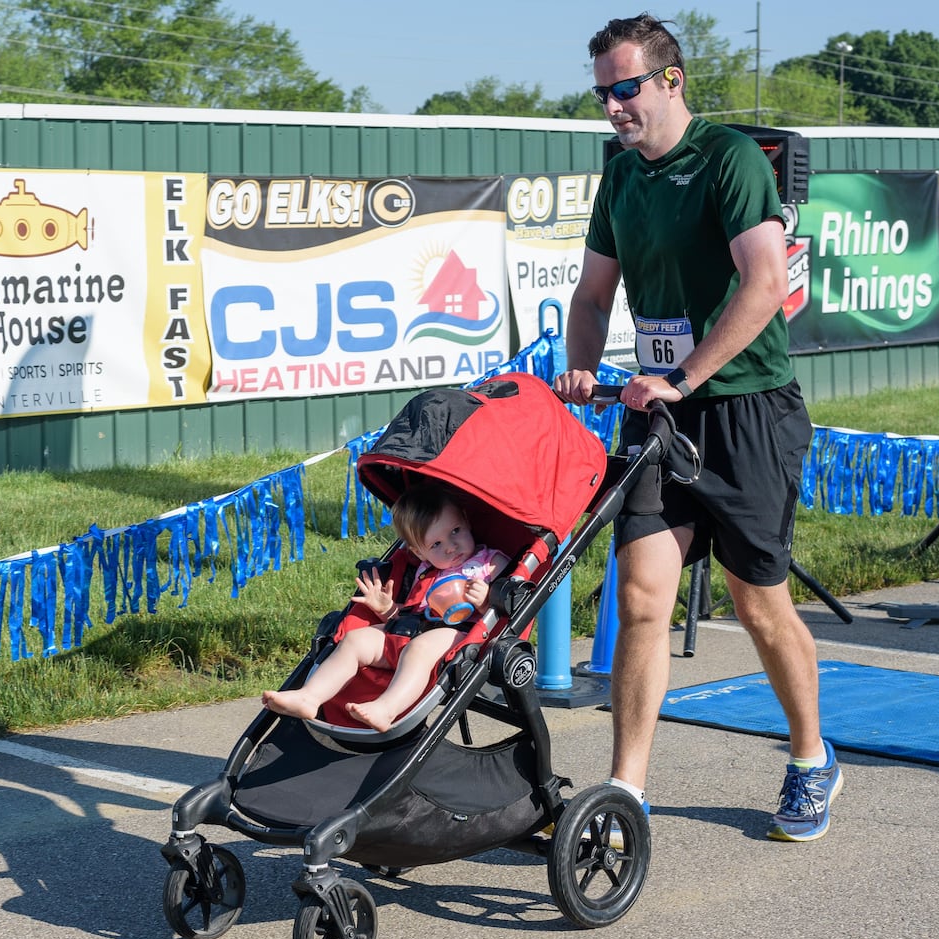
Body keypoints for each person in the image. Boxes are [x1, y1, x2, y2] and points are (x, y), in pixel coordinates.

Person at [552, 13, 842, 841]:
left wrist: (680, 377)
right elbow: (592, 297)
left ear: (670, 81)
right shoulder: (622, 180)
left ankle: (811, 758)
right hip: (659, 415)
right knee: (642, 599)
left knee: (759, 605)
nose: (613, 105)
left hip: (747, 409)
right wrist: (580, 366)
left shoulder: (731, 160)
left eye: (625, 88)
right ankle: (625, 795)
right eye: (602, 91)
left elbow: (762, 284)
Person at [263, 485, 507, 733]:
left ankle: (386, 709)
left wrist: (486, 599)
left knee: (418, 648)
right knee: (355, 640)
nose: (451, 547)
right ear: (418, 552)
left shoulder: (490, 561)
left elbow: (506, 604)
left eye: (455, 531)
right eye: (436, 544)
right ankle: (310, 697)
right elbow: (413, 612)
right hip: (408, 632)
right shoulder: (425, 571)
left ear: (466, 520)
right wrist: (388, 609)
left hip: (458, 634)